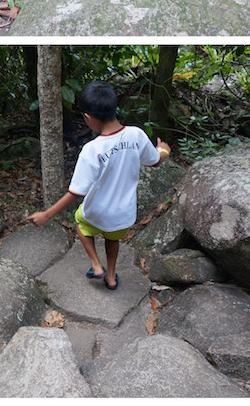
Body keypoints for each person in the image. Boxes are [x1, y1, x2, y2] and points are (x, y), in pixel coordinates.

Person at [27, 81, 170, 291]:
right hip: (123, 216)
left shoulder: (92, 149)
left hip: (97, 212)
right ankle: (111, 277)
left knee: (80, 224)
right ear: (114, 108)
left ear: (88, 118)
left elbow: (76, 192)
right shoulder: (136, 135)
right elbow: (156, 161)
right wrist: (163, 150)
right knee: (112, 239)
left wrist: (47, 214)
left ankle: (96, 264)